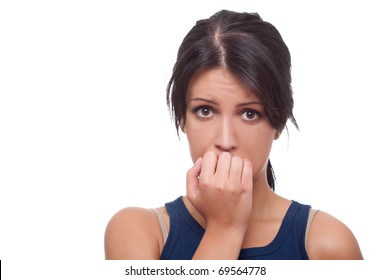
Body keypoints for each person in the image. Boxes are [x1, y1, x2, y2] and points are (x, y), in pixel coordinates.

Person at [104, 9, 363, 260]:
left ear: (279, 121)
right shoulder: (138, 231)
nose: (225, 141)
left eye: (250, 113)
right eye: (205, 110)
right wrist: (225, 227)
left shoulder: (327, 244)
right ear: (182, 117)